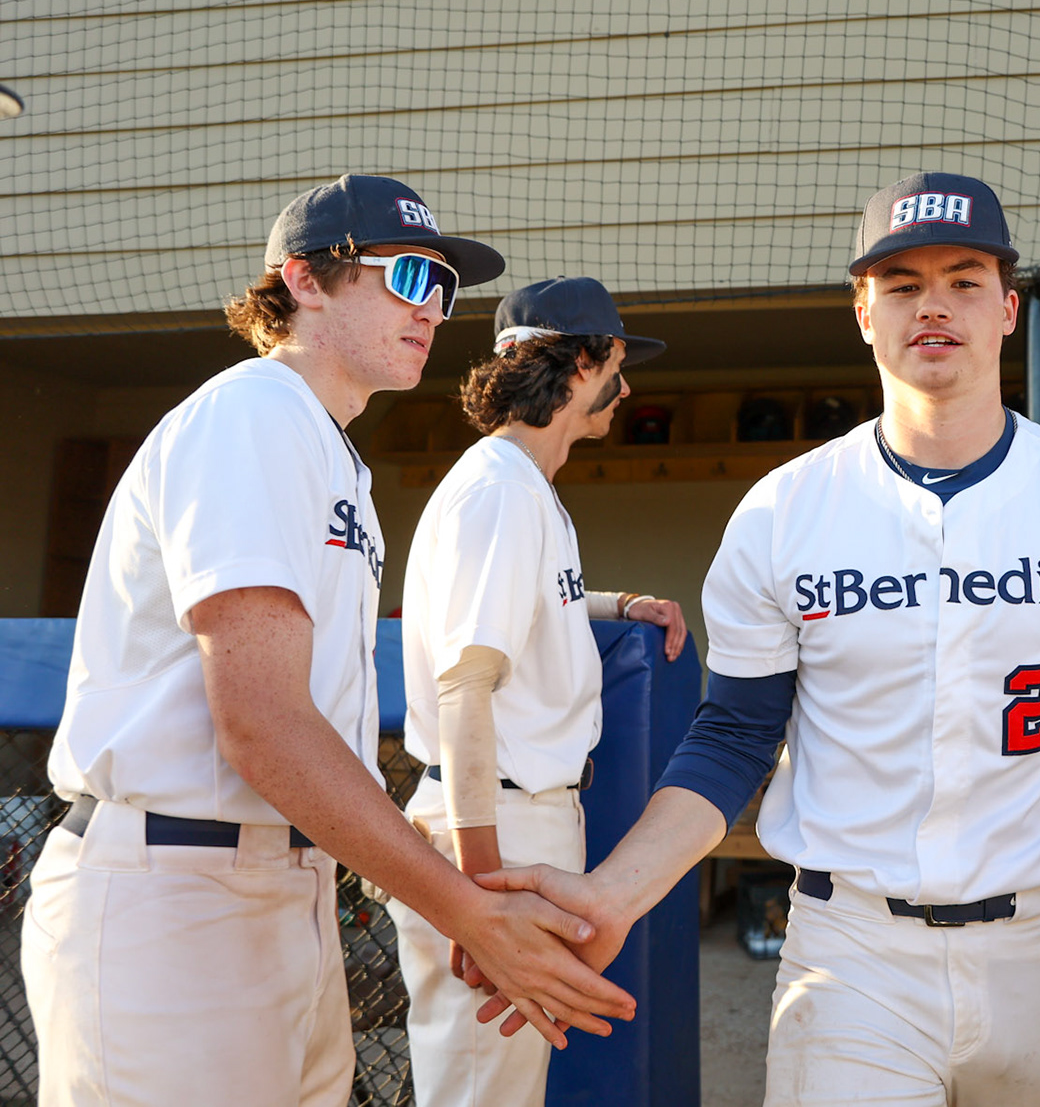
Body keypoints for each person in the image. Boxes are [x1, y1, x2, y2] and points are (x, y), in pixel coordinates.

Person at [472, 171, 1040, 1105]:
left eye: (964, 281)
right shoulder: (784, 509)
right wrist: (617, 891)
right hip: (852, 950)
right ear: (864, 314)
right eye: (902, 285)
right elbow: (734, 737)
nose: (933, 306)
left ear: (1008, 309)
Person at [25, 176, 635, 1107]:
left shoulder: (332, 449)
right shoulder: (254, 413)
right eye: (409, 276)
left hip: (285, 880)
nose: (432, 310)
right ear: (304, 280)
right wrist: (470, 908)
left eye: (445, 289)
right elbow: (263, 725)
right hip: (177, 889)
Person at [393, 276, 688, 1107]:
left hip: (517, 822)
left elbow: (529, 604)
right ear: (583, 363)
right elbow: (466, 686)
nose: (624, 390)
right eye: (617, 368)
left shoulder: (522, 485)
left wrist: (619, 605)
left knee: (501, 1087)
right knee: (479, 1092)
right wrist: (480, 898)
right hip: (496, 830)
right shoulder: (499, 490)